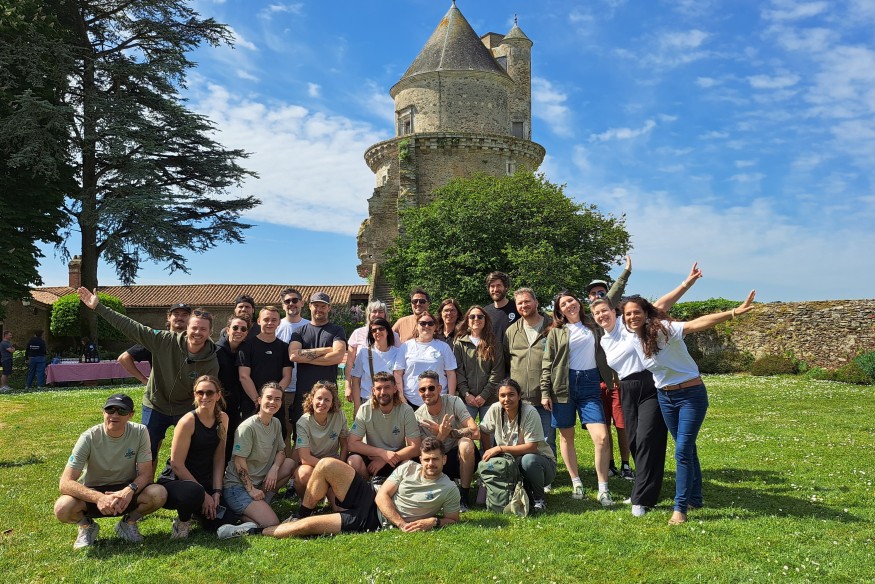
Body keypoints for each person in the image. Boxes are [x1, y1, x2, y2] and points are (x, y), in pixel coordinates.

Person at [622, 289, 756, 525]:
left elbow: (698, 323)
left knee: (682, 451)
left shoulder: (665, 329)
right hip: (665, 397)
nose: (632, 317)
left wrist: (734, 312)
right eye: (628, 314)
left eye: (637, 312)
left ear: (646, 313)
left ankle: (680, 507)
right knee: (687, 449)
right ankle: (695, 497)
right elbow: (660, 304)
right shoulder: (634, 338)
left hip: (690, 395)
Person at [590, 262, 701, 517]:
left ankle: (641, 498)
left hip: (650, 384)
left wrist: (686, 283)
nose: (602, 316)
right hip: (627, 388)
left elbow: (660, 305)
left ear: (614, 311)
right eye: (597, 314)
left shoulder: (629, 323)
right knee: (634, 442)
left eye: (605, 310)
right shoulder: (604, 339)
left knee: (648, 439)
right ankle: (646, 488)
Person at [76, 287, 219, 475]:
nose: (197, 332)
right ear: (188, 328)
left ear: (210, 332)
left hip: (185, 407)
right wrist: (98, 307)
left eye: (203, 329)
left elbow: (206, 394)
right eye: (194, 328)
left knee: (190, 451)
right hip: (155, 404)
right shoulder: (164, 340)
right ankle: (145, 484)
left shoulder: (211, 360)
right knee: (147, 451)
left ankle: (183, 485)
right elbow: (132, 327)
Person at [217, 437, 459, 539]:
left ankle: (251, 532)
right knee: (326, 464)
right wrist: (402, 525)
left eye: (435, 459)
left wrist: (435, 521)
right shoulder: (408, 468)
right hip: (371, 497)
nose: (430, 464)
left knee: (306, 528)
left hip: (371, 520)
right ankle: (302, 511)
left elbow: (452, 519)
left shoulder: (449, 489)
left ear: (444, 460)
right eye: (426, 459)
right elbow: (383, 495)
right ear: (420, 458)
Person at [53, 393, 167, 548]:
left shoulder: (140, 432)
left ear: (131, 415)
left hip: (126, 490)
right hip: (93, 491)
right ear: (103, 412)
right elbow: (65, 483)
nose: (115, 415)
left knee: (159, 494)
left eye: (122, 411)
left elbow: (146, 474)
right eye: (110, 410)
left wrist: (129, 490)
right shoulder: (88, 437)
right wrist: (99, 498)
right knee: (62, 508)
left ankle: (128, 522)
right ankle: (86, 526)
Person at [541, 290, 615, 505]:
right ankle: (576, 482)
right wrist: (545, 392)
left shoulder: (594, 326)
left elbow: (610, 299)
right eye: (563, 304)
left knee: (602, 437)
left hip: (590, 384)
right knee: (567, 437)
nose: (568, 305)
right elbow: (547, 363)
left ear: (578, 302)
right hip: (563, 385)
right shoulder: (556, 332)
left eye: (571, 300)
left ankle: (603, 488)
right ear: (559, 311)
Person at [158, 375, 231, 538]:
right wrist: (204, 494)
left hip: (204, 479)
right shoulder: (187, 421)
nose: (205, 397)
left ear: (218, 395)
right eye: (200, 393)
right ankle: (183, 521)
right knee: (194, 492)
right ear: (195, 395)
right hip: (178, 481)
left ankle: (197, 512)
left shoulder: (223, 418)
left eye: (210, 392)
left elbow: (219, 457)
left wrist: (216, 491)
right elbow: (177, 464)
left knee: (223, 520)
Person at [222, 382, 296, 528]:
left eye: (277, 399)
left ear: (281, 403)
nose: (272, 402)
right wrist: (251, 490)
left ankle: (263, 502)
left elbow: (281, 451)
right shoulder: (247, 427)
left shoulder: (276, 423)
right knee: (271, 523)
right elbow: (239, 462)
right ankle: (235, 516)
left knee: (289, 464)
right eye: (269, 398)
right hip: (238, 487)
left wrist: (275, 468)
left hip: (259, 483)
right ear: (260, 400)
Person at [585, 255, 633, 479]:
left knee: (622, 425)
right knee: (604, 426)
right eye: (593, 293)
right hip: (598, 382)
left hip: (618, 381)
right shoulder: (589, 321)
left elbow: (613, 294)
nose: (598, 296)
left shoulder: (614, 317)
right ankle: (611, 463)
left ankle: (626, 463)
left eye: (601, 292)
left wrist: (625, 272)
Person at [479, 379, 556, 513]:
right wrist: (488, 452)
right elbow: (484, 430)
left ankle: (539, 499)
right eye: (502, 395)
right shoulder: (495, 408)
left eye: (511, 394)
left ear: (519, 396)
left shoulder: (530, 412)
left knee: (528, 460)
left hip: (540, 464)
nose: (506, 399)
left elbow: (531, 447)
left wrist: (499, 448)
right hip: (511, 462)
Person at [414, 370, 480, 511]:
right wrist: (441, 435)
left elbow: (475, 431)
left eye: (431, 388)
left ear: (439, 388)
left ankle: (464, 496)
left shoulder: (453, 401)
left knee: (466, 444)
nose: (427, 392)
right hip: (437, 460)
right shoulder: (418, 416)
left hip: (458, 458)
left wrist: (449, 433)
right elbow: (425, 452)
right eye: (422, 389)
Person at [288, 292, 347, 444]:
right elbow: (293, 355)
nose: (319, 309)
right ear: (309, 307)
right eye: (316, 305)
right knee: (301, 437)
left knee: (328, 437)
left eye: (323, 306)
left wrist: (306, 358)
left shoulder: (337, 330)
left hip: (328, 395)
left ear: (329, 308)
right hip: (304, 393)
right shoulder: (299, 331)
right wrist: (326, 350)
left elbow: (338, 356)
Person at [504, 288, 556, 458]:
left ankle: (548, 469)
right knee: (520, 440)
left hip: (545, 396)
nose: (523, 305)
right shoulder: (511, 331)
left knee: (547, 440)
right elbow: (507, 361)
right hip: (520, 399)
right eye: (520, 303)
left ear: (536, 302)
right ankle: (524, 470)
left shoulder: (553, 326)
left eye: (527, 301)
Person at [348, 371, 421, 480]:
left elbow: (415, 448)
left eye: (387, 387)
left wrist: (386, 458)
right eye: (379, 388)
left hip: (397, 457)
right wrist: (382, 453)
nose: (383, 392)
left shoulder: (406, 410)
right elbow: (352, 444)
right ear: (373, 390)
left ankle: (395, 487)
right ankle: (367, 487)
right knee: (353, 460)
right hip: (372, 458)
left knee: (410, 465)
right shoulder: (365, 409)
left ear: (395, 389)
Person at [238, 306, 293, 446]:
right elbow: (244, 376)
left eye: (274, 320)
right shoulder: (247, 346)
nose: (270, 323)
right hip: (252, 402)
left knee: (278, 439)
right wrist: (258, 400)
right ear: (258, 321)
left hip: (275, 404)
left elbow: (287, 376)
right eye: (266, 319)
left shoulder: (284, 347)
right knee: (249, 440)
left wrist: (273, 398)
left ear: (279, 322)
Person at [453, 305, 504, 453]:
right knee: (464, 435)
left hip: (489, 399)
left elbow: (497, 372)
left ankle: (487, 464)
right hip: (466, 399)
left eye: (480, 316)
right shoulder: (460, 343)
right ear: (467, 320)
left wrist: (484, 395)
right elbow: (458, 371)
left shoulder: (494, 343)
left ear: (485, 320)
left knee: (488, 437)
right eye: (472, 316)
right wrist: (466, 394)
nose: (476, 319)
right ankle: (468, 462)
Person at [293, 381, 349, 497]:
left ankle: (328, 494)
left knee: (337, 505)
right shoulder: (303, 422)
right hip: (312, 463)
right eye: (319, 398)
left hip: (333, 460)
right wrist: (329, 467)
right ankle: (306, 501)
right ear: (311, 399)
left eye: (327, 400)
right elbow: (305, 458)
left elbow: (344, 445)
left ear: (332, 403)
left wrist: (341, 466)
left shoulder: (339, 415)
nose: (322, 403)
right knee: (303, 474)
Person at [117, 303, 191, 385]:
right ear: (169, 317)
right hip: (161, 390)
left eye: (184, 315)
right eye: (176, 314)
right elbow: (124, 358)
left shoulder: (195, 341)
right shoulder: (157, 340)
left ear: (190, 319)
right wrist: (144, 380)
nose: (180, 318)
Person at [394, 313, 457, 407]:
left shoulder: (444, 347)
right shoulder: (406, 346)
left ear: (435, 327)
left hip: (438, 401)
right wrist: (401, 396)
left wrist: (450, 398)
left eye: (430, 323)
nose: (427, 326)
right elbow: (398, 373)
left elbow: (451, 374)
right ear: (417, 326)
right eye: (422, 323)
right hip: (410, 401)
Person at [344, 300, 398, 403]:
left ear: (385, 314)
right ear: (369, 314)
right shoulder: (357, 333)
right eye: (374, 311)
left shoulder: (394, 336)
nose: (377, 314)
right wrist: (348, 386)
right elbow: (350, 362)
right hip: (365, 390)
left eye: (380, 311)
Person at [275, 287, 310, 435]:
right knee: (284, 432)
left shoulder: (310, 326)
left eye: (294, 300)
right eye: (287, 301)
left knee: (305, 431)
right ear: (283, 305)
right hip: (283, 388)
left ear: (302, 303)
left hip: (306, 387)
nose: (291, 303)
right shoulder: (275, 327)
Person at [349, 317, 399, 416]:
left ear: (388, 331)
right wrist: (357, 407)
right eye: (374, 330)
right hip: (368, 400)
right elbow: (355, 381)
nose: (377, 332)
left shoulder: (398, 352)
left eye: (381, 329)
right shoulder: (364, 352)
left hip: (391, 401)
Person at [217, 316, 249, 462]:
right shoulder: (216, 351)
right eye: (235, 328)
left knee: (232, 439)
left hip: (236, 404)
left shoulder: (245, 351)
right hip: (218, 403)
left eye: (243, 329)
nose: (239, 331)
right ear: (227, 330)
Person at [483, 271, 520, 342]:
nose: (495, 289)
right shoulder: (484, 312)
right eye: (492, 286)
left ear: (506, 287)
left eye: (499, 285)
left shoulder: (518, 308)